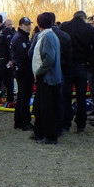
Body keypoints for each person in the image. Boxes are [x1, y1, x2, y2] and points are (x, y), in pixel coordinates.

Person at [60, 11, 94, 133]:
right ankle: (81, 124)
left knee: (66, 96)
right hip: (83, 65)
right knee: (81, 96)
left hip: (67, 65)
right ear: (83, 18)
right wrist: (91, 62)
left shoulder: (64, 26)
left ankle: (66, 123)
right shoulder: (88, 28)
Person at [29, 12, 62, 144]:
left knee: (47, 109)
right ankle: (40, 132)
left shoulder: (48, 37)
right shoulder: (47, 35)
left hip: (49, 79)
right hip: (46, 79)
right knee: (39, 107)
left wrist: (39, 71)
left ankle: (50, 136)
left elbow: (50, 58)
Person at [9, 17, 34, 131]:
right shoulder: (20, 38)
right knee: (24, 97)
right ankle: (24, 122)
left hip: (23, 70)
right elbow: (24, 56)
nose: (28, 26)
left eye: (29, 24)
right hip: (23, 71)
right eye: (26, 24)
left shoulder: (22, 37)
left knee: (22, 97)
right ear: (20, 26)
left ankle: (19, 121)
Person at [0, 13, 15, 105]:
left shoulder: (5, 31)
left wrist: (10, 59)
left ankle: (10, 99)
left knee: (7, 81)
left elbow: (10, 46)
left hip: (5, 60)